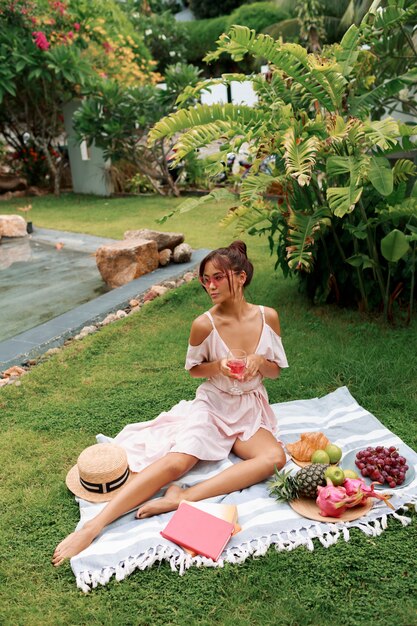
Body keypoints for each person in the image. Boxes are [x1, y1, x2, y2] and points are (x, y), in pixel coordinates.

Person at [52, 241, 288, 566]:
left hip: (249, 406)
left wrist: (260, 361)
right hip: (213, 405)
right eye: (206, 279)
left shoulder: (268, 317)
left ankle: (183, 497)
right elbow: (193, 371)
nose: (210, 285)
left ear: (241, 277)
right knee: (177, 464)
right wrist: (217, 367)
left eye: (218, 277)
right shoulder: (204, 324)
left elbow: (275, 372)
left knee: (275, 457)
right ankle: (93, 526)